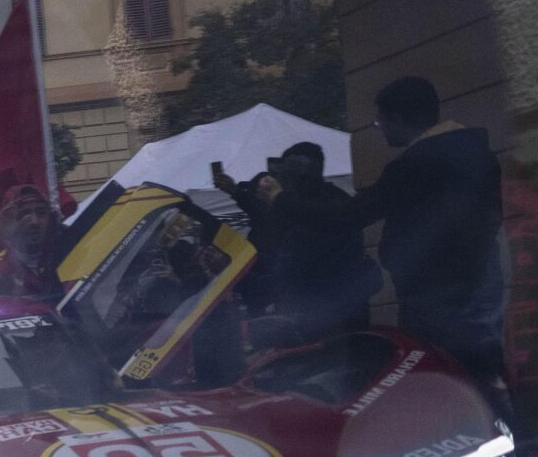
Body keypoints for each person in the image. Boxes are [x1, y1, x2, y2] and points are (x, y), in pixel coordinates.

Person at [339, 76, 509, 398]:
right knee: (486, 371)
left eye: (380, 121)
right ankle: (509, 437)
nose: (381, 130)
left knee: (442, 378)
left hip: (434, 292)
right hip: (484, 275)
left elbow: (354, 215)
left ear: (398, 119)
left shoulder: (412, 166)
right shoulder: (479, 153)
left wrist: (281, 202)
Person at [213, 143, 382, 348]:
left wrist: (231, 273)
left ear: (292, 179)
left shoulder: (303, 222)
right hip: (348, 317)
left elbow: (282, 281)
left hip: (320, 330)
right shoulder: (336, 201)